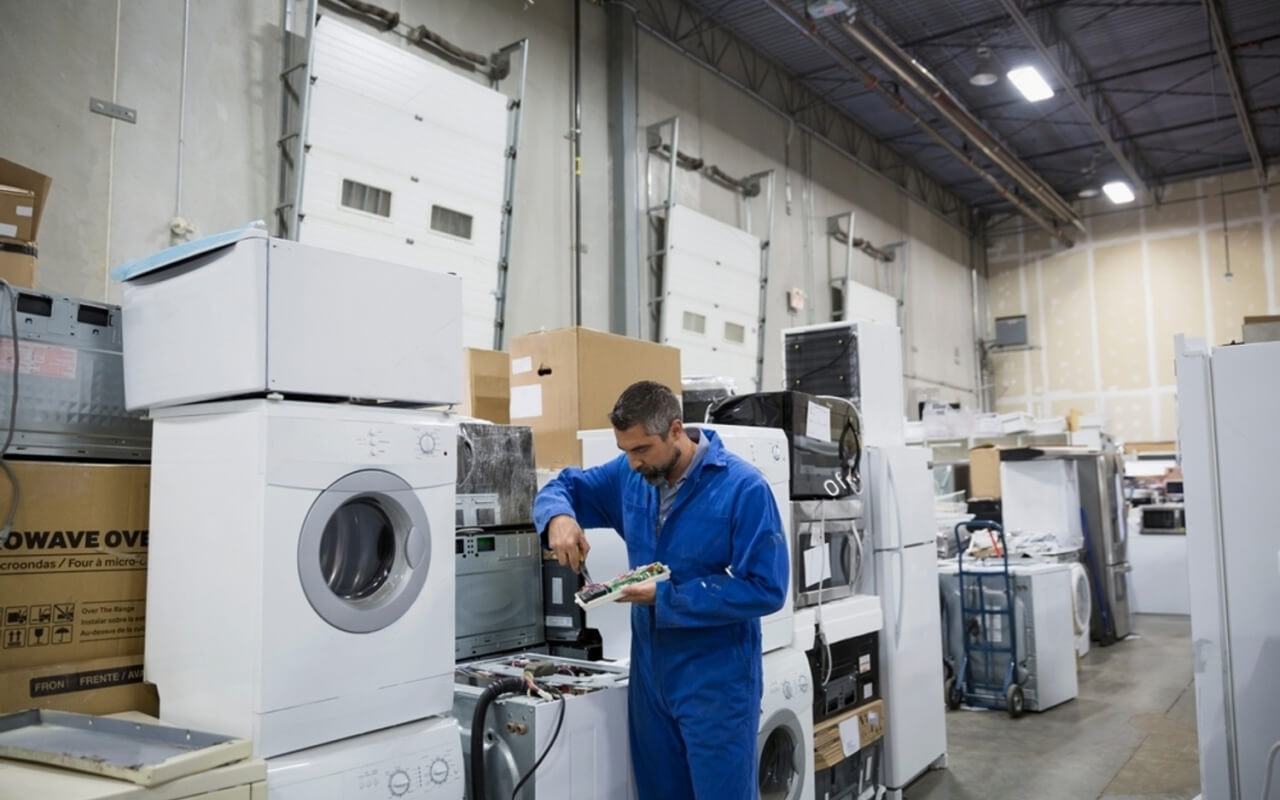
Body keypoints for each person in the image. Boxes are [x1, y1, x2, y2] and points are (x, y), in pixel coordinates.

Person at [533, 380, 789, 800]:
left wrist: (666, 596)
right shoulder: (630, 476)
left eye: (642, 450)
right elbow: (564, 487)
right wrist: (558, 516)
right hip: (651, 675)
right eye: (625, 451)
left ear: (675, 430)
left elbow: (765, 588)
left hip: (716, 680)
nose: (632, 463)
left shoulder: (743, 489)